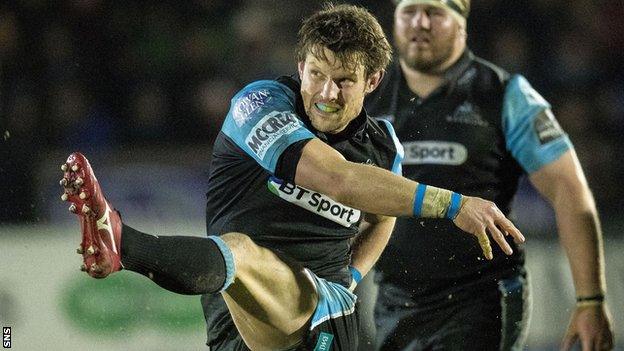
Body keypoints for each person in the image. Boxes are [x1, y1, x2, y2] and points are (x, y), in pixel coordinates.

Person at [60, 4, 525, 351]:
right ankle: (125, 244)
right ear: (300, 66)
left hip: (330, 319)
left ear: (373, 81)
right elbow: (336, 179)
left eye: (344, 80)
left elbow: (381, 218)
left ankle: (123, 241)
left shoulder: (384, 147)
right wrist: (455, 204)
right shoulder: (259, 105)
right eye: (316, 73)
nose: (326, 93)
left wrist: (351, 278)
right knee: (243, 254)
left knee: (243, 254)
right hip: (246, 323)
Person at [360, 0, 615, 350]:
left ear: (462, 23)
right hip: (393, 300)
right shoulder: (367, 95)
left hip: (479, 302)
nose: (419, 22)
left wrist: (591, 300)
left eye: (433, 12)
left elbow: (570, 192)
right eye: (409, 11)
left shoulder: (505, 94)